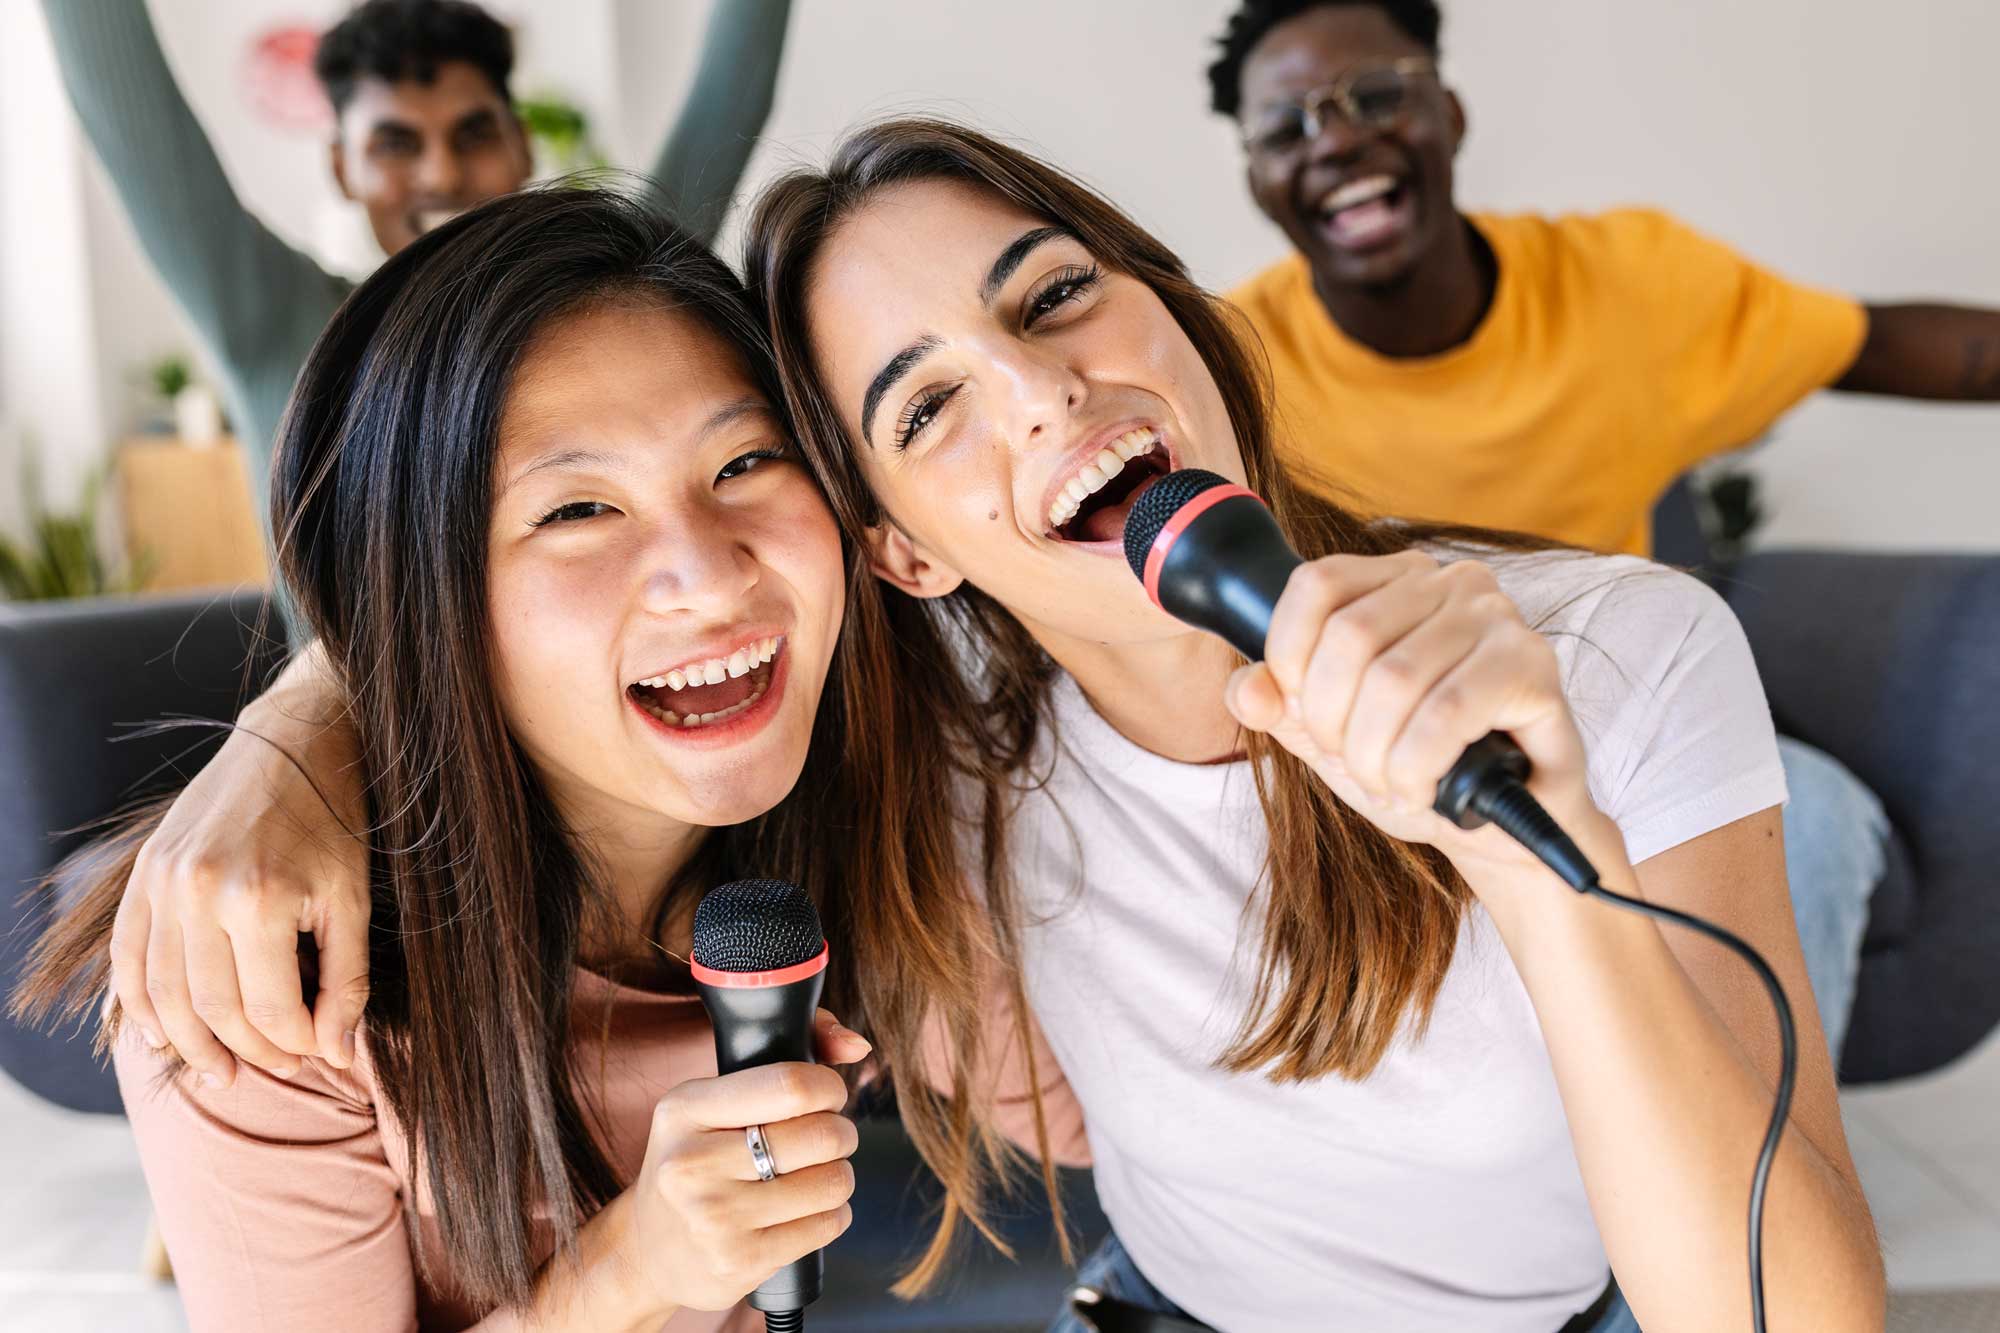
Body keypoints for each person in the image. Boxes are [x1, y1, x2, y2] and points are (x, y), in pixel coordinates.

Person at [79, 119, 1883, 1331]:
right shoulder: (923, 786)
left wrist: (1530, 848)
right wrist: (301, 727)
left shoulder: (1601, 652)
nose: (1045, 392)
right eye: (928, 401)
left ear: (1174, 297)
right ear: (903, 545)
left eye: (1056, 297)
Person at [15, 189, 868, 1331]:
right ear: (425, 600)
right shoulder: (271, 994)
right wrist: (633, 1274)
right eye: (575, 510)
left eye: (745, 459)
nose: (709, 576)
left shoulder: (873, 791)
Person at [1206, 0, 2000, 1061]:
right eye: (1287, 126)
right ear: (1256, 176)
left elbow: (1888, 345)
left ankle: (1746, 1184)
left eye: (1374, 96)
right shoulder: (1229, 370)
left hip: (1628, 724)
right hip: (1381, 762)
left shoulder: (1625, 285)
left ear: (1446, 109)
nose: (1335, 138)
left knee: (1810, 809)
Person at [39, 0, 793, 510]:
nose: (440, 174)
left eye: (472, 134)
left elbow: (732, 95)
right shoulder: (280, 325)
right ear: (342, 168)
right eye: (396, 145)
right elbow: (128, 111)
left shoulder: (609, 297)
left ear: (520, 144)